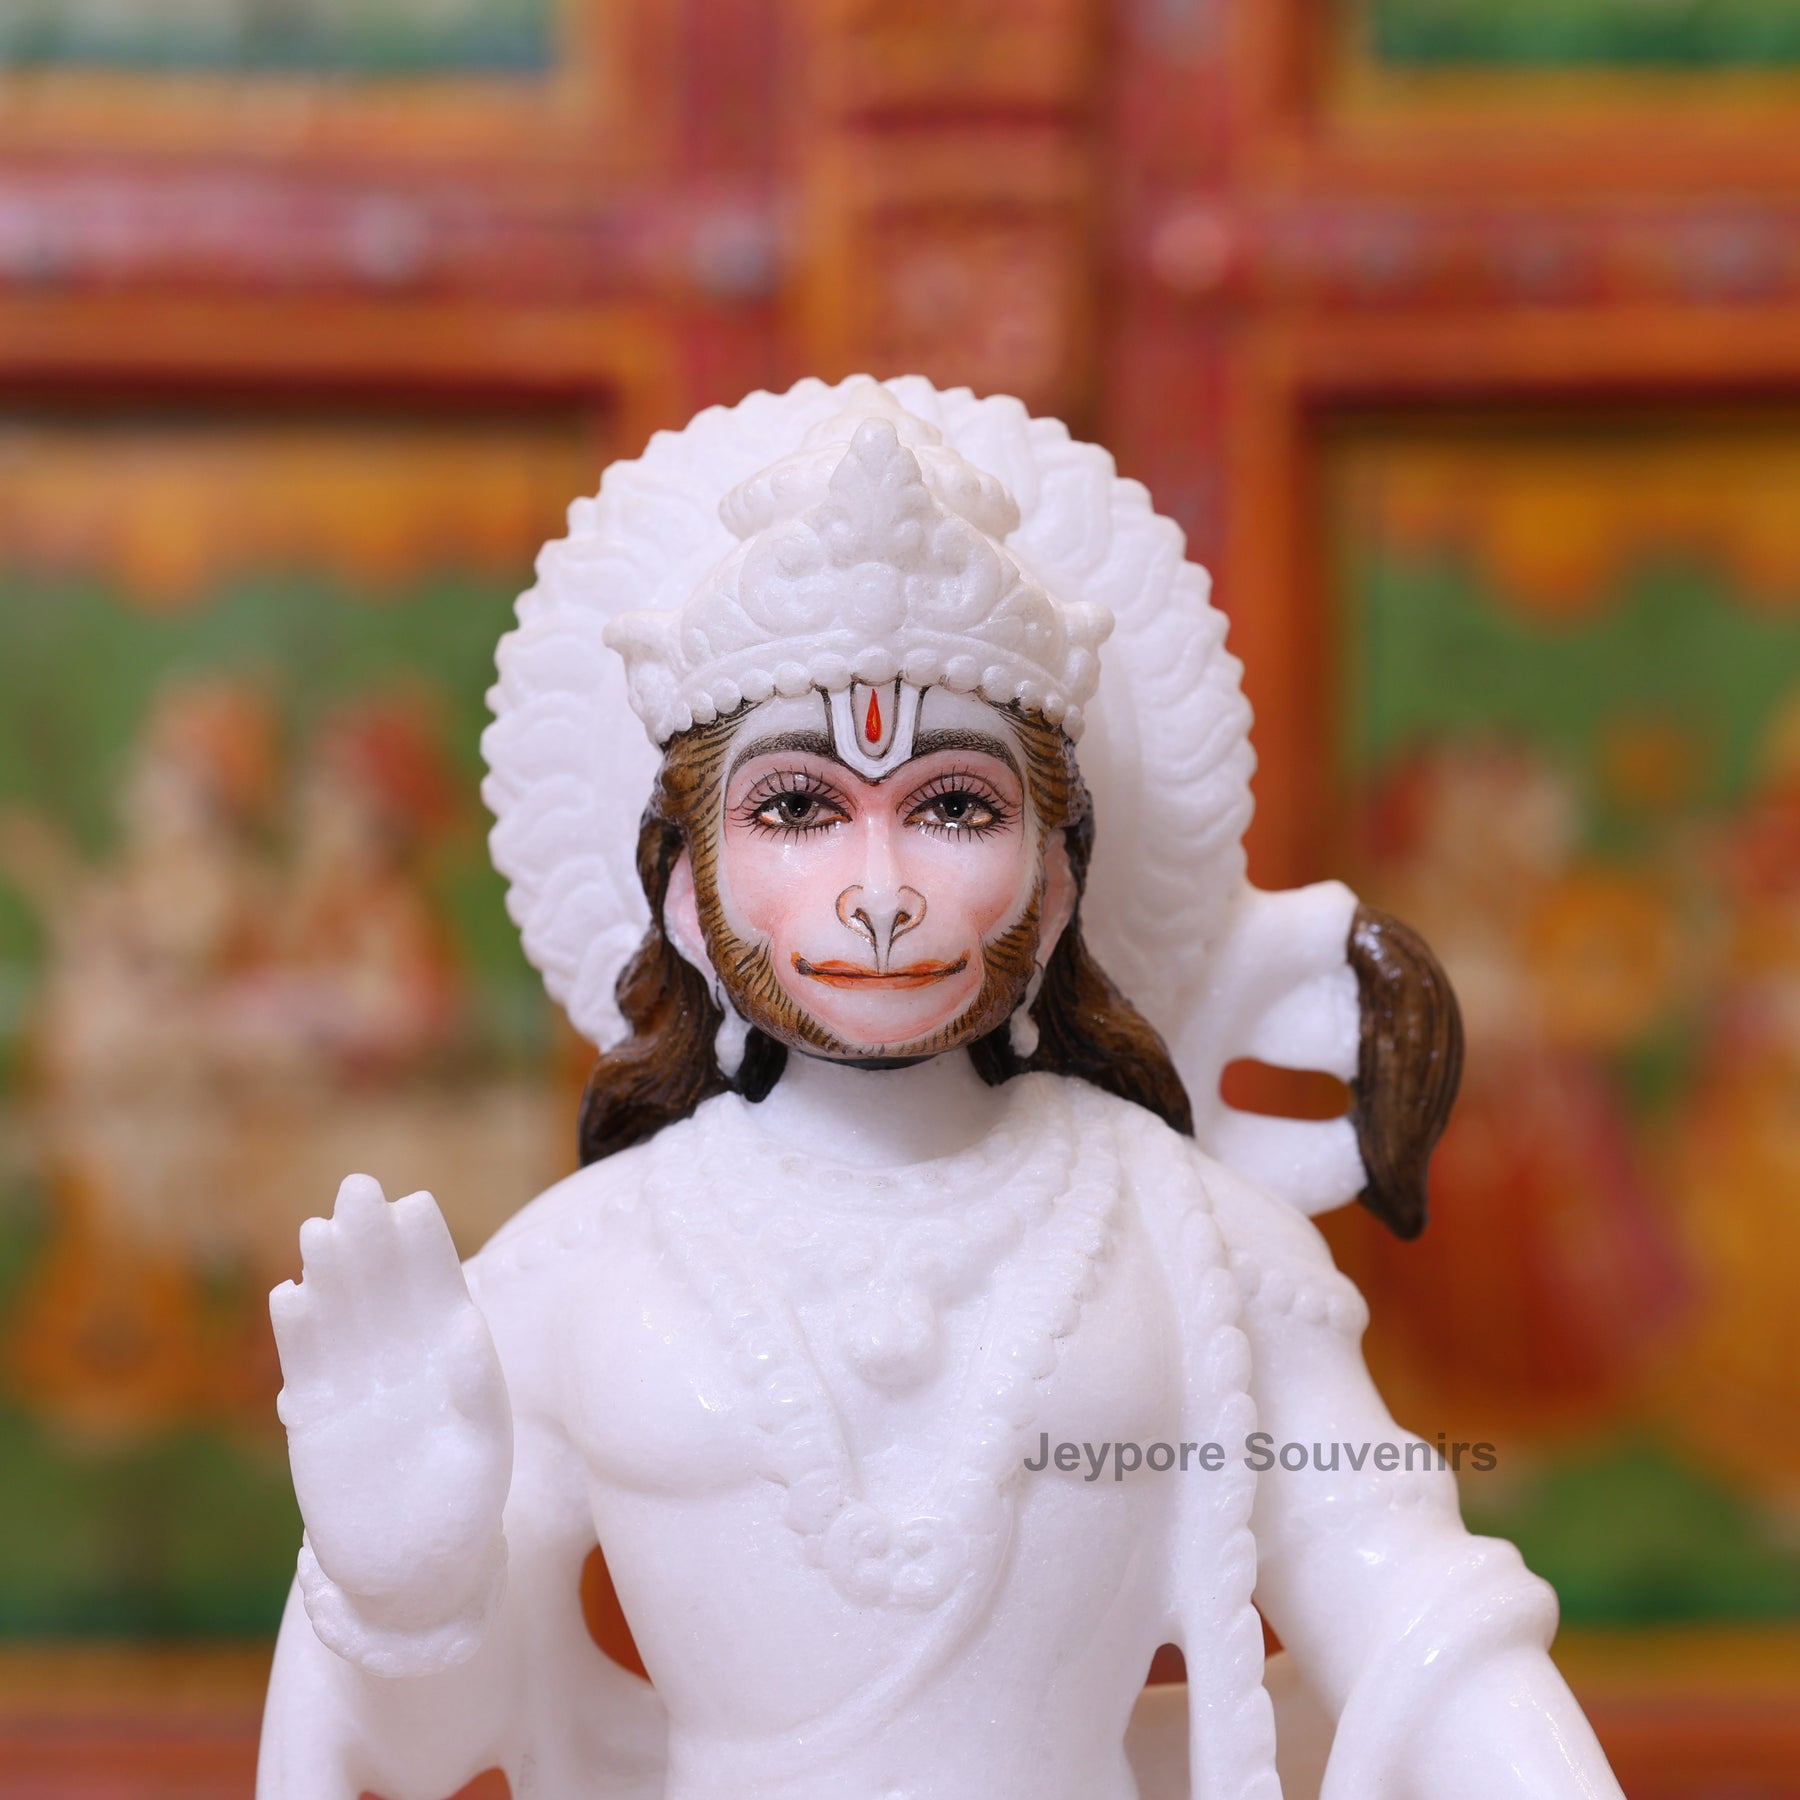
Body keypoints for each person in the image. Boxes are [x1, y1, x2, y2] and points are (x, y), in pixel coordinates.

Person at [256, 380, 1623, 1800]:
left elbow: (1416, 1622)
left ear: (1059, 878)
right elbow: (412, 1746)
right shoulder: (578, 1274)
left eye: (954, 807)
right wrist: (404, 1595)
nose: (880, 892)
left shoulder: (1207, 1250)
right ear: (682, 891)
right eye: (797, 809)